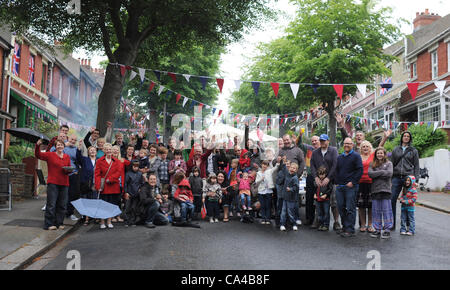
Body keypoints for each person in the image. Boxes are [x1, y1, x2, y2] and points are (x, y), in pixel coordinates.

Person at [35, 139, 71, 230]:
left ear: (64, 146)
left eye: (61, 145)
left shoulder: (67, 156)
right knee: (51, 204)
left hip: (64, 183)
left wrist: (68, 171)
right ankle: (48, 224)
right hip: (53, 183)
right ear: (55, 147)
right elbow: (38, 155)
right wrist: (37, 146)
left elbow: (68, 169)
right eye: (58, 145)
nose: (60, 146)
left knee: (62, 205)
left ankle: (59, 223)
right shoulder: (50, 155)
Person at [390, 131, 420, 230]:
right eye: (404, 136)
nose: (406, 137)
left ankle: (408, 224)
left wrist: (416, 180)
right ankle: (392, 223)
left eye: (408, 136)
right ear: (402, 137)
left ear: (410, 138)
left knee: (408, 201)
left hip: (409, 177)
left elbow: (416, 166)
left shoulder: (413, 150)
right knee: (392, 199)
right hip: (396, 177)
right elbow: (391, 164)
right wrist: (389, 178)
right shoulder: (395, 150)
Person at [309, 134, 339, 231]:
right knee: (319, 201)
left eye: (324, 140)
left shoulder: (333, 150)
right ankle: (319, 220)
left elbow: (335, 164)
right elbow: (312, 165)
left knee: (333, 202)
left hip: (331, 181)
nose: (322, 142)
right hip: (319, 182)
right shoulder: (315, 152)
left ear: (328, 141)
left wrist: (328, 178)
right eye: (321, 140)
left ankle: (336, 222)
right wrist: (316, 178)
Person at [335, 138, 363, 237]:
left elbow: (360, 170)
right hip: (340, 187)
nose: (346, 145)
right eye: (345, 143)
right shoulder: (340, 157)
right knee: (341, 207)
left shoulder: (356, 156)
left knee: (350, 208)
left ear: (352, 145)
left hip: (351, 187)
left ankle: (350, 229)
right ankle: (344, 226)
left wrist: (353, 182)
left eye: (349, 143)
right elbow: (336, 170)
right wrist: (337, 182)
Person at [51, 134, 80, 222]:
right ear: (68, 139)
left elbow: (79, 160)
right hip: (61, 174)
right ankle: (58, 213)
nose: (73, 141)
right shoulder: (62, 147)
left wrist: (77, 170)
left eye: (75, 140)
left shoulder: (75, 149)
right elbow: (51, 151)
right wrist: (64, 145)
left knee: (72, 194)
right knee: (61, 194)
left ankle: (70, 213)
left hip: (72, 174)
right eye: (72, 139)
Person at [368, 147, 394, 239]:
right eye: (378, 153)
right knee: (376, 211)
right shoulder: (372, 164)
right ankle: (377, 230)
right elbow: (370, 174)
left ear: (384, 154)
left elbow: (390, 174)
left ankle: (387, 230)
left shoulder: (389, 163)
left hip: (386, 190)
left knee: (387, 211)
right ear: (376, 154)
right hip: (375, 190)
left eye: (381, 153)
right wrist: (383, 172)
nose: (379, 154)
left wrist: (378, 174)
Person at [94, 143, 122, 229]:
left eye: (110, 149)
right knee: (103, 204)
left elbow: (118, 172)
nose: (109, 151)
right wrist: (98, 186)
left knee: (111, 204)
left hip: (113, 185)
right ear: (104, 151)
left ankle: (109, 221)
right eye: (107, 149)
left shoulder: (116, 161)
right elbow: (97, 174)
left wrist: (111, 178)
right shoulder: (99, 161)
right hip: (104, 186)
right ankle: (102, 221)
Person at [296, 133, 320, 227]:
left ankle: (320, 220)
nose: (314, 142)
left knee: (320, 199)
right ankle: (309, 219)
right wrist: (300, 135)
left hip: (321, 177)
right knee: (309, 198)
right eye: (312, 141)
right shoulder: (309, 148)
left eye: (316, 140)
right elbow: (298, 144)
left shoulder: (324, 150)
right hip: (310, 176)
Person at [76, 143, 97, 226]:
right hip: (85, 184)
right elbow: (78, 157)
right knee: (86, 201)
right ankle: (86, 218)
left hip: (95, 184)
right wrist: (79, 149)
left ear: (96, 152)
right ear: (88, 152)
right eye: (90, 150)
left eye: (94, 150)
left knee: (94, 200)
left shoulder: (99, 160)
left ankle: (95, 217)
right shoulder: (85, 160)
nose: (92, 151)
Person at [357, 140, 375, 233]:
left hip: (371, 183)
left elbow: (380, 146)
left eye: (367, 146)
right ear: (361, 148)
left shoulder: (372, 156)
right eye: (363, 146)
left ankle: (370, 225)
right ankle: (363, 224)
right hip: (360, 183)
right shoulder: (358, 157)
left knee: (370, 206)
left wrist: (385, 137)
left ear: (370, 148)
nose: (365, 148)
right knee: (361, 206)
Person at [255, 159, 280, 225]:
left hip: (268, 191)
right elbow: (256, 182)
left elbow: (275, 168)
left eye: (266, 165)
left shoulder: (269, 171)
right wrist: (261, 179)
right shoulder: (258, 173)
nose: (264, 166)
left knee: (268, 205)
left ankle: (268, 219)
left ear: (268, 166)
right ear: (261, 165)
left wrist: (278, 162)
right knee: (263, 206)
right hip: (261, 191)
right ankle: (263, 218)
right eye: (263, 164)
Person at [279, 162, 300, 231]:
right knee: (283, 212)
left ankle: (294, 224)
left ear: (296, 170)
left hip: (291, 199)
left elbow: (296, 188)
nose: (292, 169)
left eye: (294, 168)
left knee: (290, 212)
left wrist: (290, 189)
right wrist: (285, 163)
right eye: (291, 167)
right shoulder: (287, 175)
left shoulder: (295, 178)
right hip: (285, 197)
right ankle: (282, 224)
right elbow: (284, 168)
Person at [314, 166, 334, 231]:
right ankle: (321, 224)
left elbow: (330, 189)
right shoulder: (317, 181)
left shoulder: (327, 181)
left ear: (325, 174)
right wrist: (314, 194)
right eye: (320, 174)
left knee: (326, 212)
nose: (321, 176)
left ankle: (326, 225)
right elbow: (315, 188)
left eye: (323, 174)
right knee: (319, 212)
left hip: (326, 199)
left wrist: (326, 194)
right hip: (318, 199)